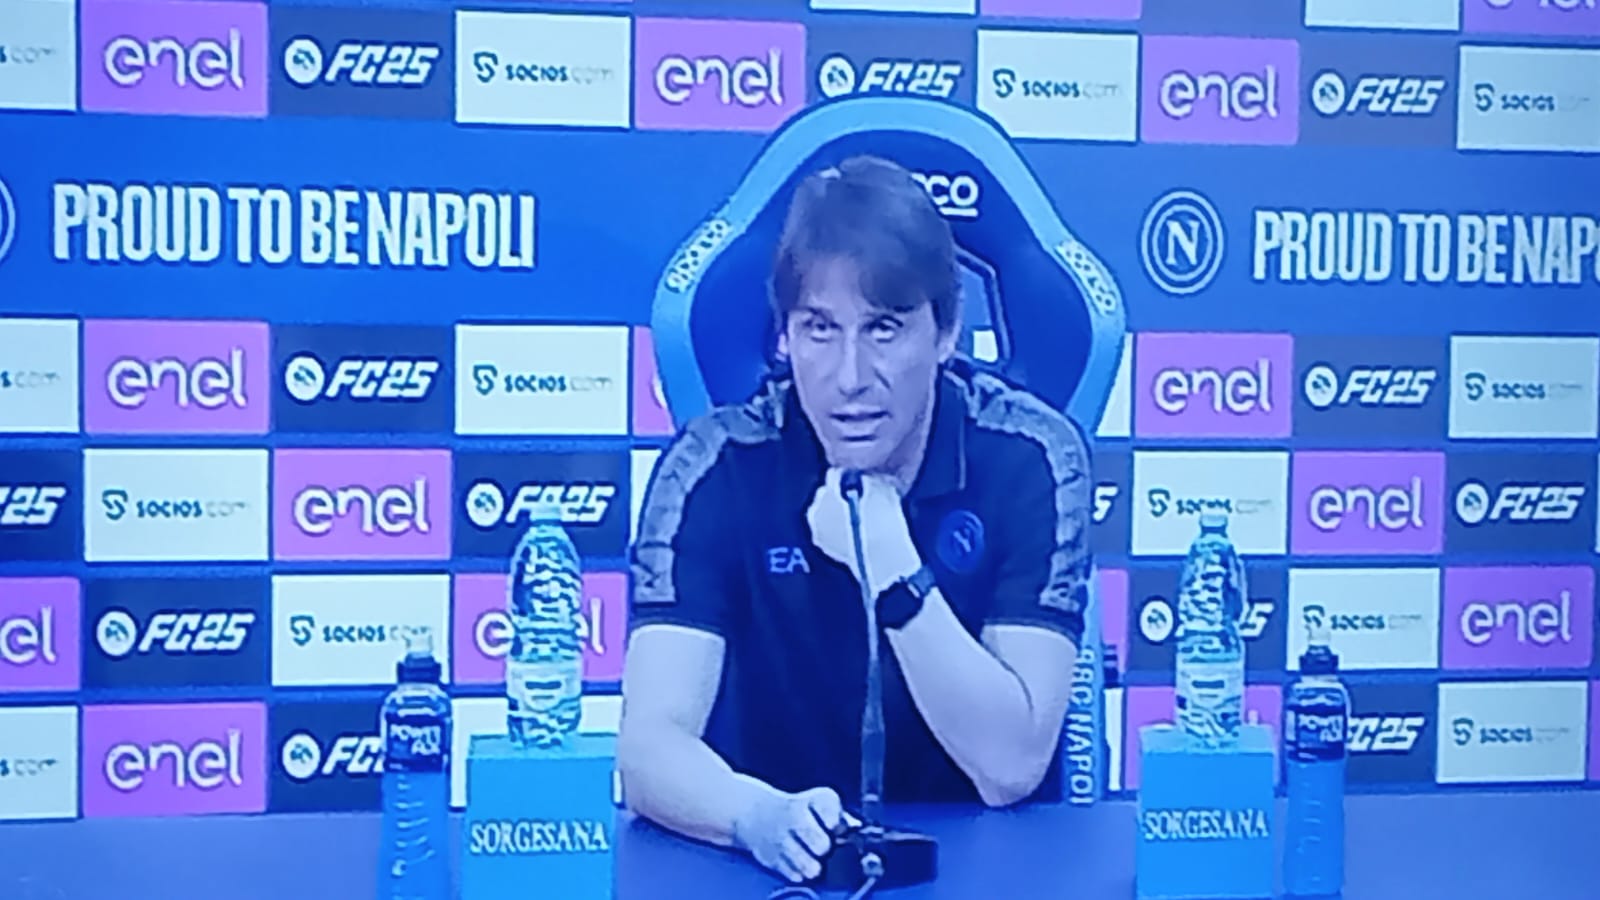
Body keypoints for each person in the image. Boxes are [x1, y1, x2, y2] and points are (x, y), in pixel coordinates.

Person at [619, 155, 1093, 884]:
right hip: (772, 878)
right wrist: (756, 816)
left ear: (946, 333)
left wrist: (894, 571)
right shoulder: (713, 467)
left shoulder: (1033, 457)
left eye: (883, 328)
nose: (849, 378)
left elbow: (1010, 766)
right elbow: (648, 750)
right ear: (783, 336)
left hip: (986, 875)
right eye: (819, 328)